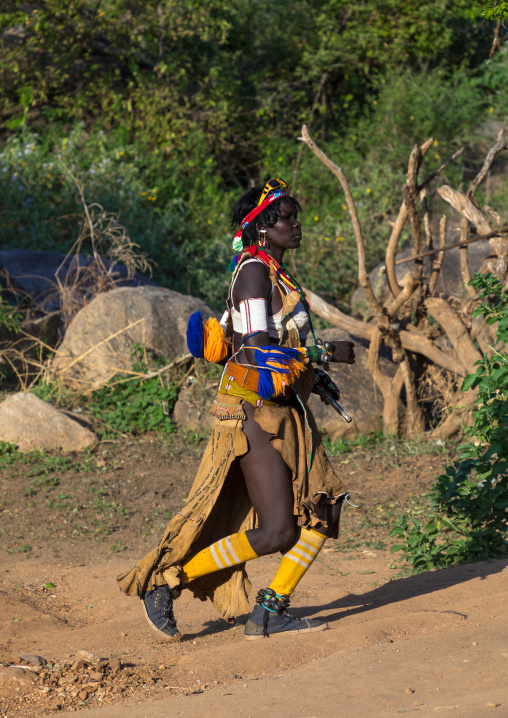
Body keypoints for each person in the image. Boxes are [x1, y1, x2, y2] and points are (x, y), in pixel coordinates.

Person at [117, 178, 356, 640]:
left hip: (282, 410)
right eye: (286, 216)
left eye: (294, 215)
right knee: (278, 532)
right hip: (250, 413)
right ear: (263, 227)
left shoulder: (274, 273)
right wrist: (324, 353)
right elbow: (255, 347)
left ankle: (269, 610)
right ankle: (169, 580)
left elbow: (280, 344)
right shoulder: (253, 272)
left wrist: (312, 373)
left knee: (321, 512)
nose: (296, 224)